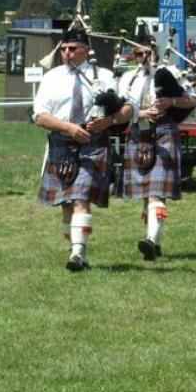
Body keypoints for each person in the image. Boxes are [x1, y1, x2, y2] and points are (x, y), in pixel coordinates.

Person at [34, 27, 130, 271]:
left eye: (72, 49)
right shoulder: (52, 77)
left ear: (86, 50)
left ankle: (77, 254)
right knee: (67, 204)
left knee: (80, 197)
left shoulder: (104, 76)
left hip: (92, 143)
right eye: (63, 49)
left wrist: (108, 121)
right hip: (62, 142)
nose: (66, 53)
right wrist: (68, 128)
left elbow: (129, 109)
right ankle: (77, 247)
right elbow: (40, 116)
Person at [118, 38, 196, 261]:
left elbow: (192, 100)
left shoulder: (170, 72)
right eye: (137, 53)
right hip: (138, 132)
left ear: (156, 51)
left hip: (163, 131)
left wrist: (171, 101)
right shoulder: (128, 78)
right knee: (146, 193)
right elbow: (120, 109)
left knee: (156, 191)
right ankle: (155, 241)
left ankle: (151, 240)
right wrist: (139, 114)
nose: (142, 58)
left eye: (146, 52)